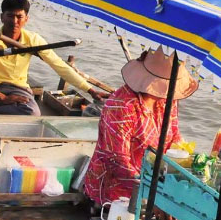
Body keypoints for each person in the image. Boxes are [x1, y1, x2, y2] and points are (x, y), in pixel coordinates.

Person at [0, 0, 109, 116]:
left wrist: (90, 90)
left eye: (19, 17)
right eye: (10, 16)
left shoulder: (33, 40)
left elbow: (59, 66)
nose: (14, 21)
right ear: (2, 17)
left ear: (26, 19)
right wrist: (2, 98)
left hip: (17, 89)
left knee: (32, 112)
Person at [84, 47, 196, 206]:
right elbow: (117, 160)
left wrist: (184, 159)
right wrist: (151, 195)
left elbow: (174, 134)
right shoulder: (121, 107)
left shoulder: (168, 100)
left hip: (152, 182)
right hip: (115, 192)